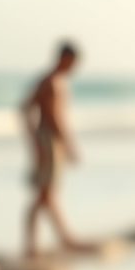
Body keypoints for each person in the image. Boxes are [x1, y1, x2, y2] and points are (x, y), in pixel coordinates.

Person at [21, 41, 85, 258]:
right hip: (48, 140)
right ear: (64, 58)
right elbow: (39, 113)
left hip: (51, 140)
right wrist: (36, 141)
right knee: (44, 194)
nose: (74, 67)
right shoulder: (50, 82)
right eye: (73, 62)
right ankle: (54, 241)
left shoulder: (56, 81)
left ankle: (57, 240)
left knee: (47, 194)